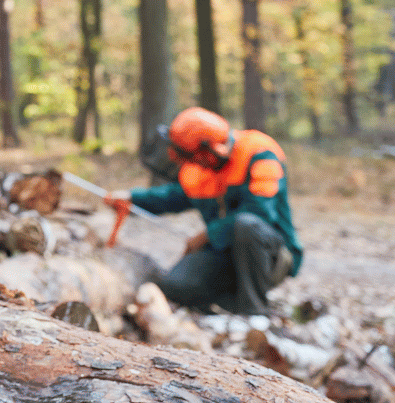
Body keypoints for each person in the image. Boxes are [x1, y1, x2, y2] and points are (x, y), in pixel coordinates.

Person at [105, 107, 302, 317]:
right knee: (175, 285)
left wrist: (206, 235)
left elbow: (261, 212)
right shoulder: (202, 169)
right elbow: (174, 197)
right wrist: (132, 198)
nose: (185, 162)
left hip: (272, 255)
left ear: (208, 151)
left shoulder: (260, 154)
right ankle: (229, 304)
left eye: (189, 156)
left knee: (246, 225)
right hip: (223, 253)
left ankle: (254, 312)